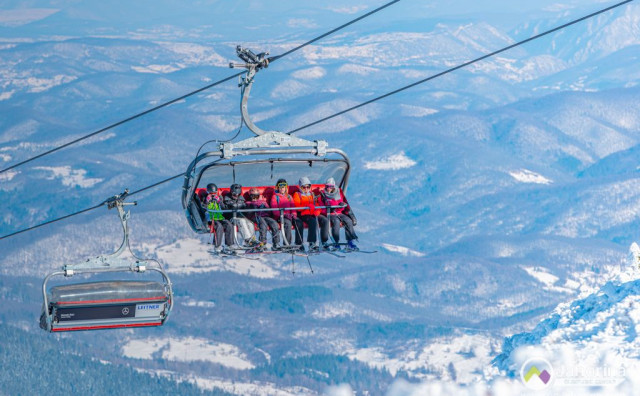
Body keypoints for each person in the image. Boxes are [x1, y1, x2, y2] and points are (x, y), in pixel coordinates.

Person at [320, 177, 358, 250]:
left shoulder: (338, 193)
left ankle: (350, 241)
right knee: (336, 222)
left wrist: (340, 206)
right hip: (329, 214)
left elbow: (342, 207)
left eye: (331, 186)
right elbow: (321, 209)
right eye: (327, 186)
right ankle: (336, 242)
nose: (329, 188)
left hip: (338, 212)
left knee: (348, 221)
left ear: (333, 186)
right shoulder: (323, 195)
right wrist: (328, 209)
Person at [270, 178, 304, 250]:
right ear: (278, 187)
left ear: (286, 187)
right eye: (280, 187)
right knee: (288, 223)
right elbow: (274, 210)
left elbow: (293, 207)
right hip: (281, 216)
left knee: (299, 222)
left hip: (290, 216)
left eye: (284, 187)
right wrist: (283, 215)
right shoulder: (275, 197)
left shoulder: (289, 196)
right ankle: (287, 244)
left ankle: (299, 243)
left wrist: (294, 215)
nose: (282, 189)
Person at [293, 176, 321, 252]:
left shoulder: (312, 194)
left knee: (314, 220)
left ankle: (312, 243)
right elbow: (297, 206)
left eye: (308, 187)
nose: (306, 189)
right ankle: (299, 244)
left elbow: (317, 204)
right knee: (301, 223)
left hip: (311, 213)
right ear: (300, 187)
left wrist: (317, 211)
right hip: (302, 214)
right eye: (303, 187)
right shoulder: (297, 194)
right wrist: (307, 207)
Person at [203, 183, 233, 250]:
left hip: (219, 217)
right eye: (211, 193)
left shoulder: (219, 198)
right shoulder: (205, 198)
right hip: (211, 218)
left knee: (229, 225)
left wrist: (219, 201)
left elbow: (223, 208)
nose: (213, 195)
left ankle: (229, 245)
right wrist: (207, 201)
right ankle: (217, 246)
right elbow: (202, 208)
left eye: (214, 193)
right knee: (219, 226)